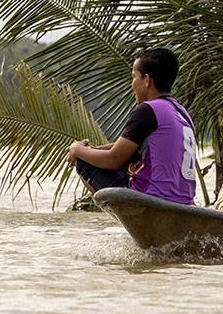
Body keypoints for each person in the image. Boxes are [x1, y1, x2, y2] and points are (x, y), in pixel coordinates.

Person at [66, 48, 196, 205]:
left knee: (84, 161)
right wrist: (91, 149)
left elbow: (113, 159)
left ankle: (130, 218)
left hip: (152, 196)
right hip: (184, 200)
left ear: (146, 80)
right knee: (106, 156)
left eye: (134, 77)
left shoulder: (148, 110)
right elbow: (130, 147)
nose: (131, 83)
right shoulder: (181, 112)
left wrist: (77, 150)